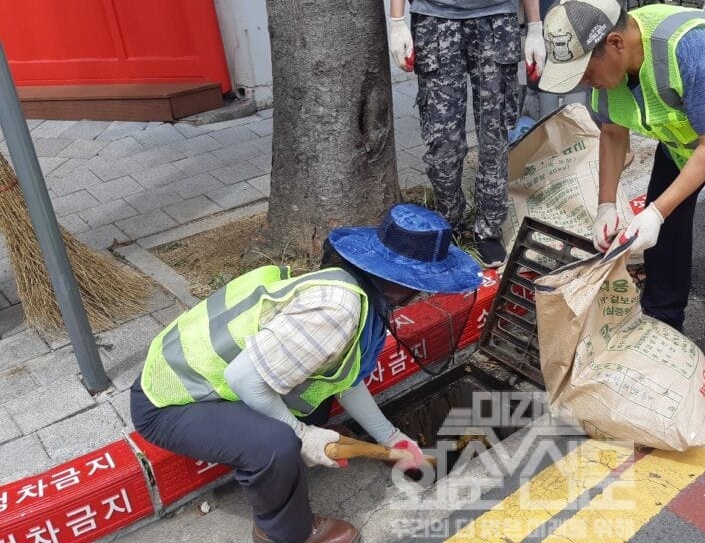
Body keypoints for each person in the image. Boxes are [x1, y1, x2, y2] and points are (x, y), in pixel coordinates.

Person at [130, 204, 483, 543]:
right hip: (171, 400)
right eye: (425, 284)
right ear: (402, 283)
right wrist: (303, 435)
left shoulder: (354, 288)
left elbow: (343, 379)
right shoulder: (337, 310)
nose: (424, 293)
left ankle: (288, 449)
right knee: (276, 444)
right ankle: (283, 530)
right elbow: (243, 378)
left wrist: (391, 439)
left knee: (310, 407)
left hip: (211, 383)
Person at [538, 0, 705, 393]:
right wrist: (607, 204)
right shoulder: (609, 67)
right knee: (665, 231)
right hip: (686, 139)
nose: (584, 83)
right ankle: (662, 316)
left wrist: (655, 211)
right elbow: (611, 132)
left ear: (615, 44)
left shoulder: (686, 49)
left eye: (586, 72)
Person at [387, 0, 546, 268]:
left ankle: (488, 228)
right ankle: (451, 222)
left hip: (496, 16)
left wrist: (535, 26)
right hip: (435, 17)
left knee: (494, 134)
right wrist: (396, 20)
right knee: (443, 141)